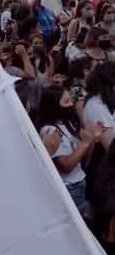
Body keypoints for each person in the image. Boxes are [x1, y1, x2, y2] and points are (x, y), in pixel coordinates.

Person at [38, 87, 102, 216]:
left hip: (79, 183)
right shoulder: (51, 131)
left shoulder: (69, 124)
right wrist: (84, 144)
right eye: (66, 102)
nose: (71, 104)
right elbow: (66, 165)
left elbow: (84, 158)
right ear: (54, 107)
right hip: (69, 188)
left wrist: (91, 140)